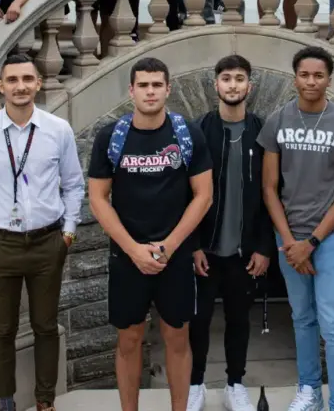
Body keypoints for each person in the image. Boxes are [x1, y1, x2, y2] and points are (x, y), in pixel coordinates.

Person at [0, 52, 85, 411]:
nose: (20, 87)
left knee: (46, 326)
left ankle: (45, 400)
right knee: (2, 330)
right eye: (12, 80)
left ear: (38, 83)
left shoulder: (57, 130)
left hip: (48, 242)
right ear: (0, 86)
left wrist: (69, 235)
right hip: (0, 245)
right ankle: (5, 400)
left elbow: (74, 185)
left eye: (26, 79)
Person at [87, 57, 213, 411]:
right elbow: (98, 199)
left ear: (168, 89)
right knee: (130, 338)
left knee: (177, 336)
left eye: (157, 84)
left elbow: (204, 195)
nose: (150, 91)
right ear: (131, 90)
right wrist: (134, 250)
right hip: (127, 255)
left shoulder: (187, 133)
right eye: (143, 85)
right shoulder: (111, 136)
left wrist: (169, 247)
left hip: (174, 255)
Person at [258, 47, 334, 411]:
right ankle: (309, 391)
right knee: (302, 318)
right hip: (288, 239)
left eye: (318, 75)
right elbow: (269, 188)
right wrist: (290, 242)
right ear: (295, 78)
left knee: (333, 322)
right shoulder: (278, 121)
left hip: (329, 239)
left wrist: (314, 241)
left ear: (329, 80)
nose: (311, 81)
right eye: (305, 75)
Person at [187, 55, 273, 411]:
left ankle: (235, 384)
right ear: (215, 85)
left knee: (239, 320)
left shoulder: (264, 132)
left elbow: (272, 194)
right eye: (226, 78)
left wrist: (265, 247)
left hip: (245, 252)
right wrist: (192, 246)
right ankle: (195, 384)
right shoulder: (198, 131)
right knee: (198, 320)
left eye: (240, 79)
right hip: (205, 250)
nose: (233, 85)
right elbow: (185, 194)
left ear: (249, 86)